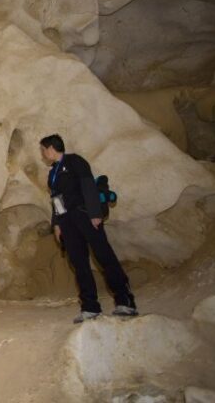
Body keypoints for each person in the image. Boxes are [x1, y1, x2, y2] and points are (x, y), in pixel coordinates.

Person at [39, 134, 138, 323]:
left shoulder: (75, 161)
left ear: (51, 148)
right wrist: (57, 224)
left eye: (43, 149)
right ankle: (90, 307)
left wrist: (95, 214)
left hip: (84, 214)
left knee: (104, 255)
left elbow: (88, 186)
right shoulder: (53, 173)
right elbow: (56, 200)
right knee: (79, 263)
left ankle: (125, 301)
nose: (43, 154)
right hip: (67, 221)